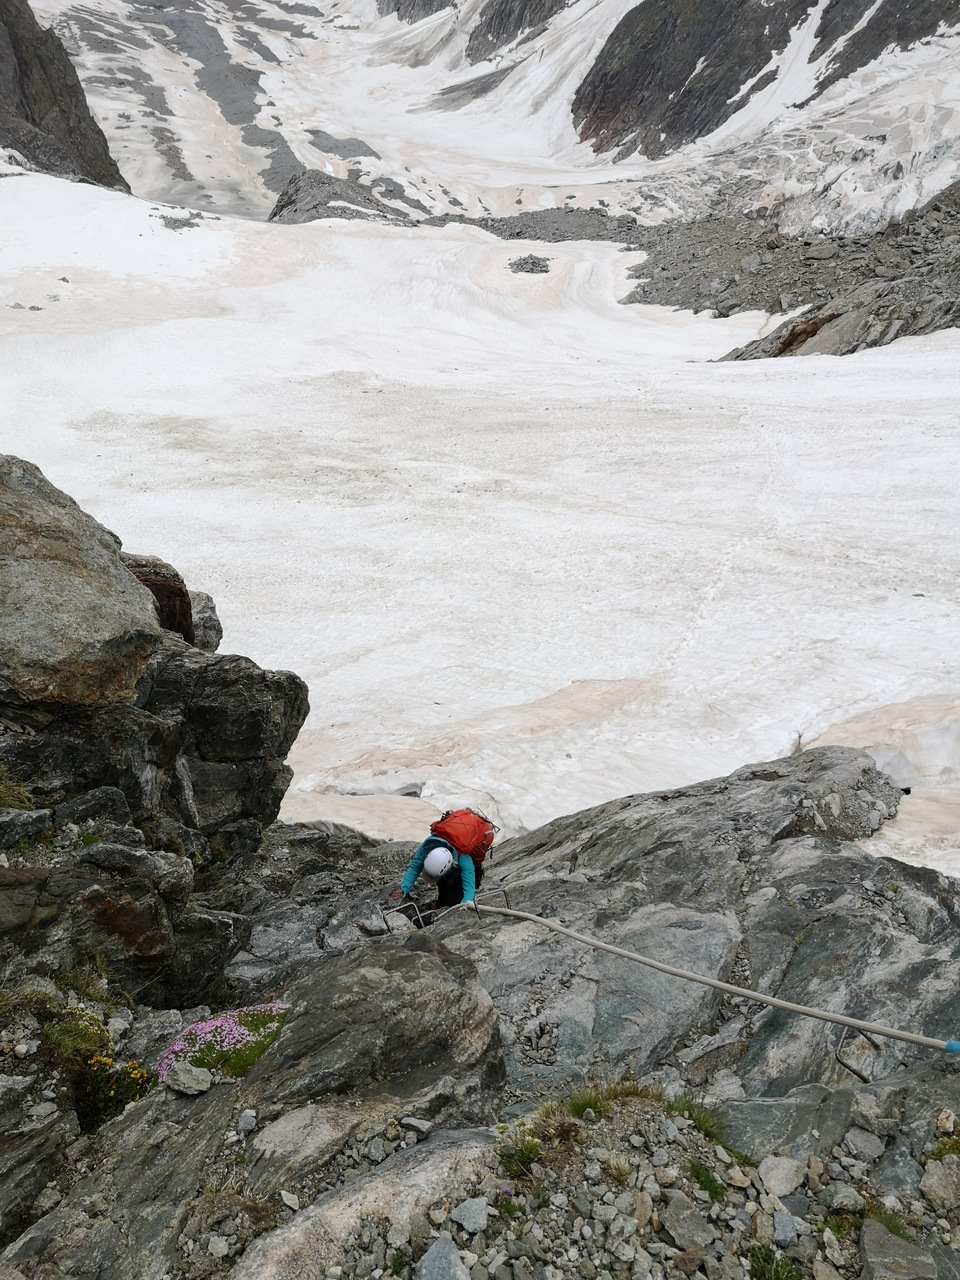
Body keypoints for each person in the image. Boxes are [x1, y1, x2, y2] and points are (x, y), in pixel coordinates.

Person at [391, 833, 483, 917]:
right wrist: (403, 888)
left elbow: (469, 886)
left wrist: (465, 906)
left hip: (466, 873)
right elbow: (415, 867)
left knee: (453, 900)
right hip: (450, 869)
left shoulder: (464, 857)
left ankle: (447, 903)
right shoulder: (428, 846)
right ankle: (441, 903)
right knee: (442, 885)